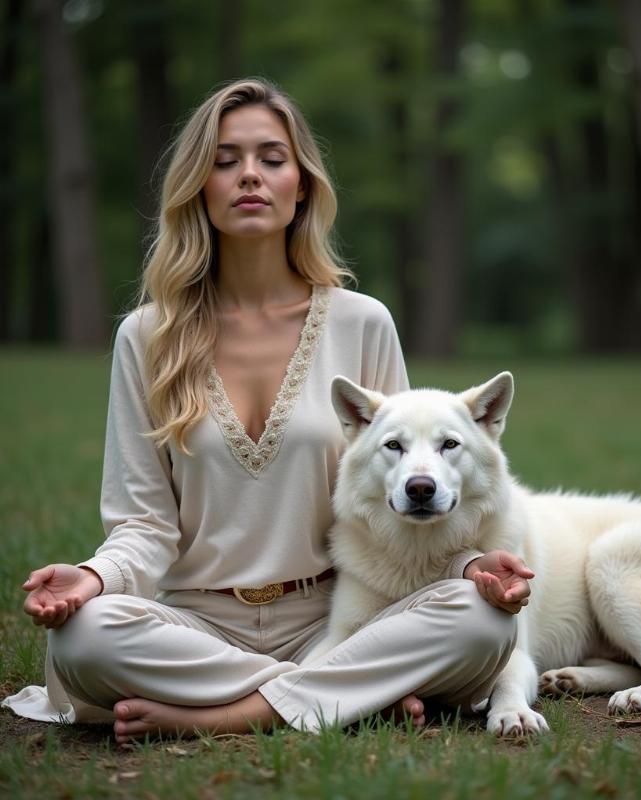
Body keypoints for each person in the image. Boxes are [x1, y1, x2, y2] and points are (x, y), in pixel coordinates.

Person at [2, 78, 534, 743]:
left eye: (271, 158)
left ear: (302, 184)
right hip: (196, 624)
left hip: (340, 614)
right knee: (84, 640)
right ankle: (350, 694)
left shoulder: (363, 323)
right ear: (198, 184)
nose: (249, 175)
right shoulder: (146, 336)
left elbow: (398, 499)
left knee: (481, 621)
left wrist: (470, 569)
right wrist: (93, 576)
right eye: (225, 160)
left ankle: (230, 715)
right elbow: (145, 522)